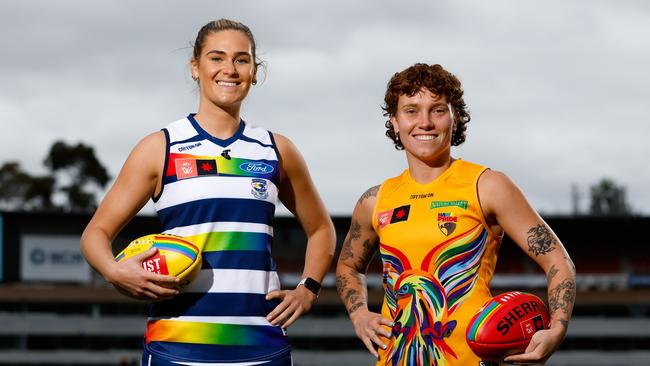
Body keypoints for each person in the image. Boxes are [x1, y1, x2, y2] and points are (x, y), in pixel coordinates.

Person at [80, 19, 335, 366]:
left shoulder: (276, 149)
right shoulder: (161, 148)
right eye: (217, 58)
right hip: (176, 350)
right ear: (195, 67)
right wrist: (114, 272)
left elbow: (321, 229)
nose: (229, 70)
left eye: (242, 60)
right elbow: (95, 233)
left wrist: (308, 289)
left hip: (261, 348)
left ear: (255, 71)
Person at [336, 63, 576, 365]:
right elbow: (348, 265)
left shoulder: (488, 185)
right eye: (411, 111)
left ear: (455, 117)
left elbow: (557, 259)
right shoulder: (375, 200)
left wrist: (557, 327)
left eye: (437, 110)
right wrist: (359, 314)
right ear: (395, 122)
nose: (424, 122)